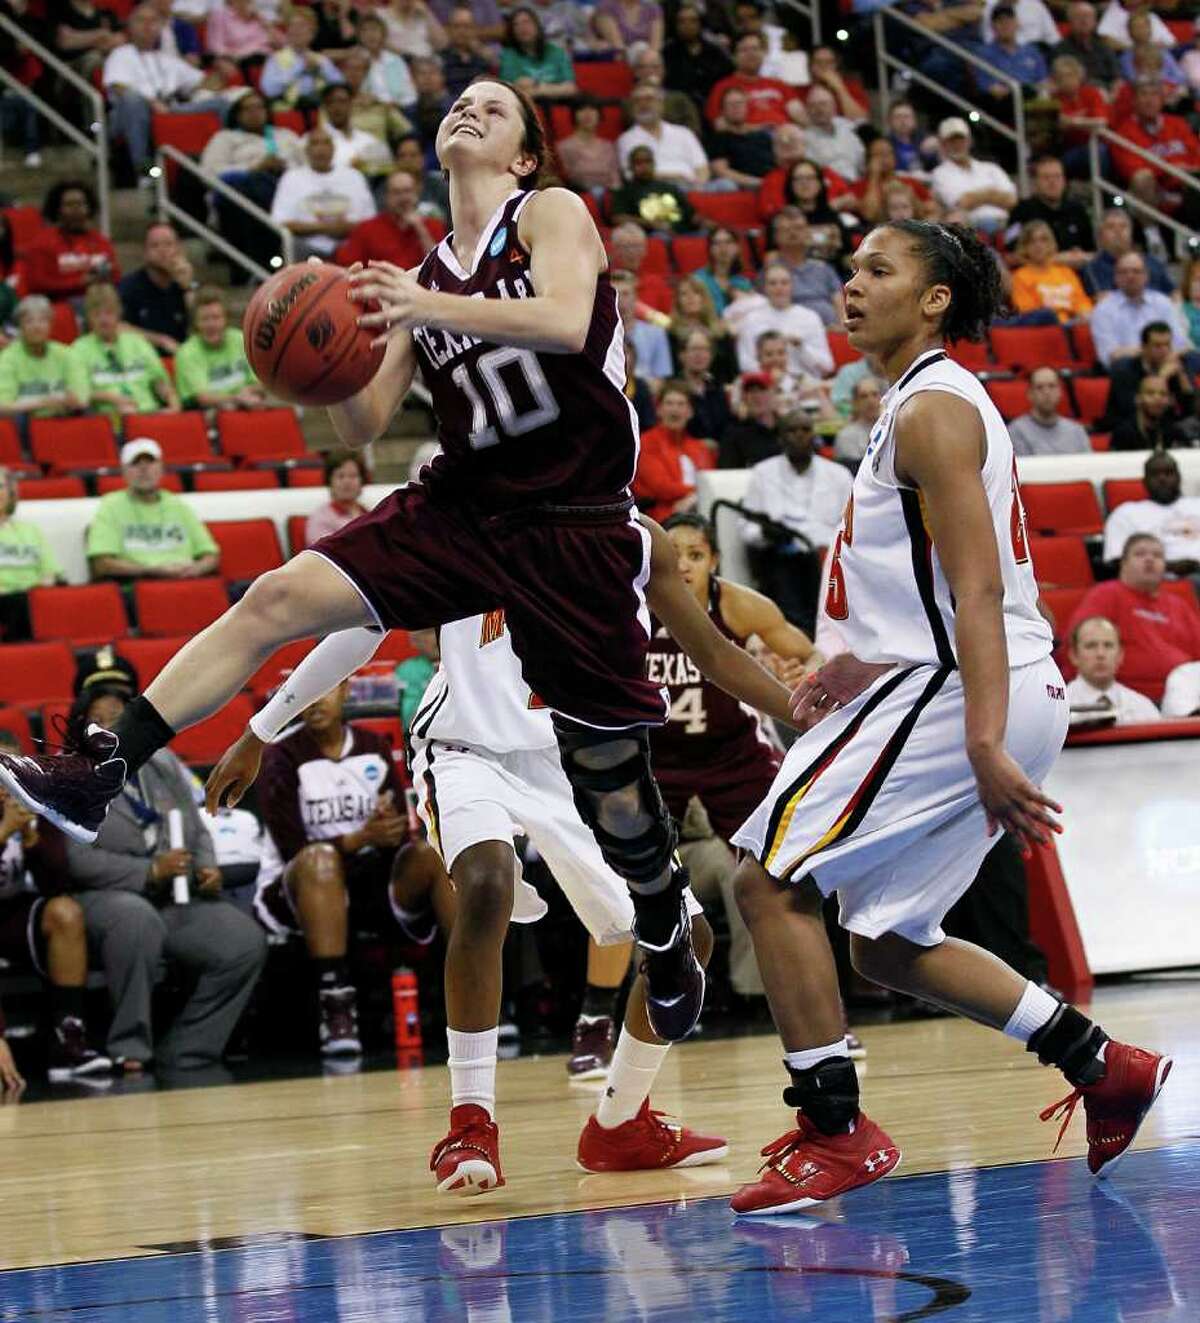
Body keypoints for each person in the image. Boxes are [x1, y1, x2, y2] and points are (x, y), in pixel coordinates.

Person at [2, 79, 713, 1057]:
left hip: (577, 519)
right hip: (467, 503)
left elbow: (559, 320)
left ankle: (665, 931)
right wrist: (339, 348)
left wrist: (423, 303)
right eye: (457, 102)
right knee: (276, 596)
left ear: (520, 155)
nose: (468, 109)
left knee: (613, 784)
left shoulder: (551, 213)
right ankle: (97, 766)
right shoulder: (413, 275)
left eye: (494, 108)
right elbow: (365, 423)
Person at [724, 219, 1168, 1217]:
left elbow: (975, 589)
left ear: (933, 300)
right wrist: (849, 665)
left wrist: (978, 736)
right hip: (962, 681)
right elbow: (937, 590)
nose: (850, 283)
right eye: (850, 268)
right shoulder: (910, 408)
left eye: (878, 269)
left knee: (770, 880)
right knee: (883, 940)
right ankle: (1103, 1064)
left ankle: (834, 1129)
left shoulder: (931, 411)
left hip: (963, 688)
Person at [206, 513, 795, 1192]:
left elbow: (715, 655)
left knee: (688, 936)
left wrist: (802, 707)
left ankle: (621, 1123)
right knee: (483, 881)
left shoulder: (631, 537)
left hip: (577, 757)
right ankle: (469, 1122)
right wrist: (261, 728)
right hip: (465, 748)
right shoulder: (464, 520)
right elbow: (361, 630)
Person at [62, 657, 267, 1072]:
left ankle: (189, 1050)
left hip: (174, 897)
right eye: (97, 719)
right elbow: (76, 860)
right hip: (106, 901)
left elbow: (197, 827)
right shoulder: (68, 772)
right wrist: (149, 872)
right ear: (80, 721)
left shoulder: (163, 764)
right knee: (136, 918)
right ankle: (130, 1046)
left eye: (117, 718)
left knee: (242, 940)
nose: (108, 728)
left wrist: (207, 868)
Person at [250, 677, 422, 1056]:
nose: (313, 700)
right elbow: (293, 847)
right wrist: (359, 838)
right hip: (295, 887)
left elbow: (398, 836)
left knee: (426, 857)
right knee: (321, 861)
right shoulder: (281, 756)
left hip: (365, 877)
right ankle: (336, 1002)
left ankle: (480, 993)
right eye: (303, 693)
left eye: (323, 688)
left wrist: (390, 830)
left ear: (345, 690)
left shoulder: (374, 748)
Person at [0, 740, 111, 1081]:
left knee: (65, 912)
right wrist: (3, 833)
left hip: (10, 913)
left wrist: (33, 842)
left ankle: (68, 1039)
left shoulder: (31, 803)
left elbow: (57, 882)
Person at [740, 408, 851, 634]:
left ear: (815, 436)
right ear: (781, 437)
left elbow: (853, 529)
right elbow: (746, 528)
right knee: (783, 573)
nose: (800, 435)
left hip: (827, 561)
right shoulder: (763, 473)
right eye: (792, 430)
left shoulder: (839, 475)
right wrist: (765, 534)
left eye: (805, 429)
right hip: (782, 559)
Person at [1069, 533, 1200, 701]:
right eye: (1140, 554)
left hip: (1186, 695)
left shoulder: (1179, 604)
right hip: (1126, 699)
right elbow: (1076, 648)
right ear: (1123, 563)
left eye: (1157, 555)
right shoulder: (1105, 595)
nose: (1149, 559)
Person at [102, 4, 227, 179]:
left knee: (222, 102)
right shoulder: (120, 54)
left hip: (168, 107)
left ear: (161, 27)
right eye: (141, 21)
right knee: (133, 100)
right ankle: (144, 170)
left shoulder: (167, 59)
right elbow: (119, 87)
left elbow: (204, 81)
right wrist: (151, 102)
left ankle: (223, 161)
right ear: (129, 27)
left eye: (153, 21)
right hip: (129, 113)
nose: (147, 25)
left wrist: (219, 72)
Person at [199, 91, 306, 277]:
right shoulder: (225, 138)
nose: (255, 112)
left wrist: (286, 168)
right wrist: (254, 168)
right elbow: (209, 174)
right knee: (258, 182)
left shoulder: (286, 136)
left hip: (287, 188)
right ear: (237, 114)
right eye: (248, 109)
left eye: (259, 107)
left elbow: (308, 167)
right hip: (244, 196)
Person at [87, 438, 220, 582]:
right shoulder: (110, 505)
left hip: (186, 582)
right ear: (123, 471)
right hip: (139, 587)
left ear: (161, 467)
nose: (144, 469)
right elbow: (101, 564)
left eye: (150, 462)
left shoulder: (178, 504)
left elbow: (211, 555)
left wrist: (196, 569)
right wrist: (152, 571)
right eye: (135, 463)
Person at [66, 284, 181, 420]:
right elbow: (80, 395)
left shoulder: (138, 342)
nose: (103, 320)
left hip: (149, 415)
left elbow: (160, 382)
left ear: (118, 313)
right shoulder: (79, 349)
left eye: (109, 313)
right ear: (89, 318)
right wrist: (111, 398)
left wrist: (173, 406)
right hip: (109, 422)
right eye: (97, 314)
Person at [270, 128, 377, 260]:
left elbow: (371, 221)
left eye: (326, 143)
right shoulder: (291, 178)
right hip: (306, 250)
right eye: (315, 143)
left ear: (334, 148)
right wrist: (325, 228)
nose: (321, 149)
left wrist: (345, 228)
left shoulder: (354, 176)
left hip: (349, 246)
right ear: (306, 150)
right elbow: (280, 223)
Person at [1101, 452, 1200, 575]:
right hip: (1159, 580)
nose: (1162, 479)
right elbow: (1118, 561)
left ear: (1179, 478)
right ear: (1144, 481)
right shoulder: (1125, 514)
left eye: (1168, 473)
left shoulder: (1197, 505)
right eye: (1155, 475)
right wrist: (1169, 567)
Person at [731, 262, 833, 379]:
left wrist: (801, 347)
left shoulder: (810, 318)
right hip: (767, 386)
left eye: (784, 282)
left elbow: (827, 366)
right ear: (764, 287)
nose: (779, 287)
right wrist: (772, 378)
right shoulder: (751, 320)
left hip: (805, 385)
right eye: (773, 283)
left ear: (792, 286)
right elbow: (746, 364)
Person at [632, 380, 715, 521]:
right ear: (659, 410)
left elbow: (711, 482)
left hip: (700, 515)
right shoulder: (647, 442)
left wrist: (696, 497)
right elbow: (660, 487)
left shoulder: (700, 448)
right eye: (669, 403)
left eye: (681, 404)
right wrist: (698, 492)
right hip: (660, 519)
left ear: (690, 412)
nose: (674, 410)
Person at [1090, 253, 1191, 370]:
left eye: (1136, 271)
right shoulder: (1103, 309)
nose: (1130, 276)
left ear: (1146, 276)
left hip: (1167, 362)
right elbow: (1109, 355)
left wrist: (1162, 357)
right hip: (1128, 368)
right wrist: (1150, 353)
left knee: (1192, 359)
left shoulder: (1163, 302)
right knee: (1123, 364)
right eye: (1124, 272)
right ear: (1116, 277)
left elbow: (1180, 343)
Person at [25, 180, 119, 304]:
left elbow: (116, 276)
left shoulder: (101, 242)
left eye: (81, 204)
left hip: (100, 304)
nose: (76, 209)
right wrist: (79, 282)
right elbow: (37, 284)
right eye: (69, 204)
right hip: (59, 306)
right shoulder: (43, 243)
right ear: (57, 209)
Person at [0, 465, 66, 641]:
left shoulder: (31, 530)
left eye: (1, 486)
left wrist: (39, 592)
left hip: (33, 599)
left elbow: (50, 573)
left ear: (11, 492)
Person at [174, 287, 266, 411]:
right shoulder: (186, 353)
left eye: (216, 318)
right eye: (205, 319)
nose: (211, 325)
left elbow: (262, 382)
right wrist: (236, 398)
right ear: (196, 323)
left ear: (226, 319)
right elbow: (203, 398)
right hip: (209, 415)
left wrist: (249, 390)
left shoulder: (240, 339)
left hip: (249, 406)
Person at [117, 223, 195, 357]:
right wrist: (160, 340)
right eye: (155, 245)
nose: (162, 250)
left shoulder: (185, 284)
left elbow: (202, 326)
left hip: (182, 359)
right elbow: (118, 327)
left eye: (168, 244)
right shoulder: (129, 286)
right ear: (145, 253)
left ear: (179, 250)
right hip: (140, 360)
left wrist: (188, 288)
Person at [335, 170, 441, 269]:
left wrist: (420, 229)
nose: (403, 198)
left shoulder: (433, 226)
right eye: (396, 192)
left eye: (407, 191)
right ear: (386, 197)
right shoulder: (367, 229)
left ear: (416, 194)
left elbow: (441, 268)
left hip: (420, 287)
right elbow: (347, 267)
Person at [1105, 321, 1199, 432]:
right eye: (1157, 346)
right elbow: (1134, 409)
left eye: (1167, 345)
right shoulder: (1124, 371)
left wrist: (1182, 377)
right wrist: (1161, 377)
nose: (1165, 350)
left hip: (1168, 427)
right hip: (1130, 428)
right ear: (1143, 347)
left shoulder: (1175, 366)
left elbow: (1192, 411)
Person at [1066, 617, 1161, 726]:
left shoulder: (1143, 707)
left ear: (1120, 655)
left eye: (1108, 645)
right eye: (1091, 646)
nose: (1100, 654)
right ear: (1074, 655)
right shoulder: (1059, 707)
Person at [0, 296, 81, 423]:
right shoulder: (8, 358)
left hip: (64, 420)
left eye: (43, 320)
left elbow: (80, 399)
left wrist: (73, 400)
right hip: (25, 425)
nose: (36, 326)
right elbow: (3, 407)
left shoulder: (66, 353)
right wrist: (45, 402)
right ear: (20, 327)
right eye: (29, 321)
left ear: (51, 324)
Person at [1005, 155, 1095, 268]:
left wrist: (1082, 256)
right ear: (1035, 182)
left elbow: (1092, 252)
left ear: (1064, 180)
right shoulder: (1021, 210)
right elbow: (1011, 257)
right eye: (1046, 177)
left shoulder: (1077, 210)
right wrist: (1057, 259)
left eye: (1057, 177)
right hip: (1037, 276)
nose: (1052, 182)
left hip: (1075, 276)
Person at [930, 118, 1017, 234]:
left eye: (961, 139)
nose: (957, 145)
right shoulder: (940, 173)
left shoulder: (991, 168)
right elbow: (962, 202)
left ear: (969, 141)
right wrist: (992, 194)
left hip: (1005, 225)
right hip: (971, 229)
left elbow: (1011, 200)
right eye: (951, 141)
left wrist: (976, 197)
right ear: (943, 144)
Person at [704, 32, 804, 129]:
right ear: (734, 57)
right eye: (744, 50)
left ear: (764, 53)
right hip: (746, 141)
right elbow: (720, 125)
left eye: (755, 49)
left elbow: (801, 117)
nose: (751, 54)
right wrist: (758, 129)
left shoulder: (779, 85)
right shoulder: (722, 87)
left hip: (786, 139)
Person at [764, 208, 842, 327]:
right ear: (776, 236)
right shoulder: (770, 271)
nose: (793, 233)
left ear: (808, 233)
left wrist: (842, 328)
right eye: (786, 229)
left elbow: (840, 303)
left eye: (798, 228)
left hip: (833, 332)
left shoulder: (823, 268)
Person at [618, 85, 708, 188]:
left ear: (661, 104)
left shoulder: (684, 133)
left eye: (649, 99)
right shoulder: (626, 139)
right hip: (653, 187)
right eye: (637, 101)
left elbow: (702, 168)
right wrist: (676, 177)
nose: (643, 104)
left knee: (724, 184)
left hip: (692, 186)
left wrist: (698, 186)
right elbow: (631, 175)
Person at [1009, 221, 1093, 324]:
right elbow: (1029, 313)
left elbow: (1082, 302)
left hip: (1075, 323)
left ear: (1051, 244)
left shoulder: (1066, 272)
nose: (1038, 245)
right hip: (1046, 329)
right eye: (1032, 241)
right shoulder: (1019, 277)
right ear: (1024, 247)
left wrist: (1084, 313)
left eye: (1043, 240)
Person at [1081, 207, 1172, 298]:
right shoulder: (1093, 268)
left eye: (1123, 226)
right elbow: (1102, 300)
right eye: (1110, 227)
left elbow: (1174, 293)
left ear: (1131, 233)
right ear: (1100, 236)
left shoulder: (1152, 262)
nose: (1118, 231)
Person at [260, 7, 342, 108]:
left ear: (312, 33)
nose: (296, 30)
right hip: (289, 113)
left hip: (320, 111)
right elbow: (269, 90)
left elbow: (340, 87)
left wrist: (321, 70)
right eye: (293, 25)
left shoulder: (321, 60)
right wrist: (299, 68)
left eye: (302, 26)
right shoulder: (275, 59)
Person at [662, 3, 733, 112]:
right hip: (680, 109)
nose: (687, 25)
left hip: (714, 107)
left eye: (693, 21)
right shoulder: (667, 54)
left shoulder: (715, 53)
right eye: (682, 21)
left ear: (701, 24)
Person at [610, 146, 697, 234]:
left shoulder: (670, 188)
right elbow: (618, 218)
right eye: (639, 163)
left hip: (683, 232)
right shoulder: (625, 191)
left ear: (654, 164)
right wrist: (650, 223)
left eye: (648, 162)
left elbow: (691, 215)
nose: (644, 166)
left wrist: (707, 225)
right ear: (631, 167)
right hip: (652, 234)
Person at [781, 158, 850, 266]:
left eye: (810, 178)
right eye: (798, 179)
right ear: (790, 185)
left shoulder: (832, 216)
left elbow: (847, 254)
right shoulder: (783, 219)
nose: (804, 183)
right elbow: (772, 257)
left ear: (820, 183)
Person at [1008, 368, 1091, 456]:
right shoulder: (1016, 431)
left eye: (1052, 386)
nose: (1046, 392)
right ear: (1030, 394)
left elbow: (1089, 467)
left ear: (1060, 392)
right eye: (1039, 387)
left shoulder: (1077, 432)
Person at [498, 7, 576, 99]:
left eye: (526, 22)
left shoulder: (557, 52)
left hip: (558, 102)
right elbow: (510, 90)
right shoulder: (508, 55)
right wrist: (554, 88)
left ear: (538, 26)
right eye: (516, 25)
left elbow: (571, 88)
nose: (522, 28)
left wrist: (536, 86)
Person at [707, 86, 775, 189]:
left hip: (771, 182)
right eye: (730, 104)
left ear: (747, 107)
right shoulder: (719, 139)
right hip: (743, 187)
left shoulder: (763, 136)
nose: (736, 107)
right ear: (722, 110)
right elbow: (720, 171)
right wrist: (756, 182)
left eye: (739, 103)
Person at [677, 328, 732, 440]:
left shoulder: (717, 389)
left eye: (704, 350)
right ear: (682, 355)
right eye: (694, 349)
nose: (699, 355)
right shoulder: (673, 388)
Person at [305, 450, 370, 544]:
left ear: (362, 481)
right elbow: (327, 555)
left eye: (353, 476)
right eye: (340, 476)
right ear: (329, 481)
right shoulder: (320, 518)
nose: (347, 482)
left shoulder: (369, 513)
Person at [803, 85, 865, 184]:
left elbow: (863, 160)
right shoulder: (804, 138)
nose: (819, 109)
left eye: (823, 104)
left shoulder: (849, 128)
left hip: (856, 182)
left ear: (834, 106)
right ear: (807, 110)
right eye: (813, 105)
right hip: (829, 188)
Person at [555, 99, 621, 193]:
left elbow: (615, 179)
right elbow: (567, 178)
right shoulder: (564, 147)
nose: (588, 114)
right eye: (582, 109)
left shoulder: (608, 146)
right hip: (578, 194)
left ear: (599, 115)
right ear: (574, 115)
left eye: (592, 109)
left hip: (609, 196)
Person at [1051, 0, 1119, 89]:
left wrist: (1111, 96)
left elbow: (1117, 79)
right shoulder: (1060, 50)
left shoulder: (1104, 48)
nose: (1084, 21)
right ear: (1070, 22)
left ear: (1095, 22)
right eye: (1078, 17)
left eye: (1088, 17)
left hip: (1106, 94)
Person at [1110, 375, 1188, 451]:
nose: (1157, 398)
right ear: (1138, 399)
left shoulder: (1174, 431)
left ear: (1170, 401)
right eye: (1150, 393)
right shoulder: (1124, 433)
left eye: (1163, 394)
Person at [719, 372, 779, 467]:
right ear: (744, 397)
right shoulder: (734, 435)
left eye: (762, 390)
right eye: (750, 391)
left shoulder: (787, 430)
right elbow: (727, 475)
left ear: (773, 393)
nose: (756, 396)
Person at [692, 226, 753, 316]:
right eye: (717, 243)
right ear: (710, 249)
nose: (723, 248)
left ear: (737, 248)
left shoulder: (743, 282)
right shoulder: (698, 280)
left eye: (728, 242)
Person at [441, 5, 492, 100]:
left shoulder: (483, 58)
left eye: (467, 26)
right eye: (457, 26)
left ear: (474, 29)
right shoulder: (440, 59)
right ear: (449, 29)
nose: (462, 31)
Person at [834, 374, 883, 465]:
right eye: (864, 396)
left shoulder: (892, 429)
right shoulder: (846, 436)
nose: (871, 401)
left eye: (875, 394)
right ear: (855, 402)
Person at [592, 0, 663, 53]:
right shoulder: (606, 7)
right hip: (619, 58)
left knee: (643, 48)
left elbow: (656, 45)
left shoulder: (652, 8)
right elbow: (617, 45)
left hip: (648, 60)